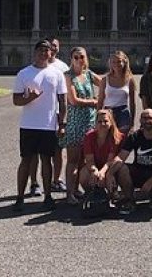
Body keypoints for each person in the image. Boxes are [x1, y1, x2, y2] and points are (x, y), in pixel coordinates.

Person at [12, 39, 68, 211]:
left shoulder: (57, 74)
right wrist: (30, 98)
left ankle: (48, 196)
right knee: (26, 161)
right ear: (35, 52)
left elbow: (63, 100)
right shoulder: (24, 74)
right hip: (29, 125)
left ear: (51, 53)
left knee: (46, 160)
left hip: (48, 124)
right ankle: (20, 197)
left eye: (47, 51)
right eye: (41, 50)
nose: (44, 53)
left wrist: (62, 123)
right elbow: (16, 100)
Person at [28, 36, 70, 195]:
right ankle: (34, 183)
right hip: (37, 118)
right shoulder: (33, 68)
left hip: (57, 116)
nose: (51, 49)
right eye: (49, 47)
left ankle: (56, 180)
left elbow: (65, 95)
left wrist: (63, 120)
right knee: (35, 154)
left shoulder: (62, 67)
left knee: (57, 151)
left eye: (54, 46)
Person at [59, 46, 98, 204]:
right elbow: (73, 100)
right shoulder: (68, 76)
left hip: (90, 122)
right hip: (76, 123)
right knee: (73, 160)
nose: (79, 60)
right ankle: (69, 195)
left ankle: (76, 190)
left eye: (81, 57)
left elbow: (106, 83)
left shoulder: (88, 74)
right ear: (71, 59)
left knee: (84, 159)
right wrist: (94, 102)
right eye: (75, 57)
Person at [114, 108, 152, 213]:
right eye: (144, 118)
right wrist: (109, 173)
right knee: (121, 168)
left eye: (150, 118)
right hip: (139, 172)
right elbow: (121, 157)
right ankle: (129, 200)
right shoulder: (135, 136)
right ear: (140, 121)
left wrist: (151, 181)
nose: (147, 121)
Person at [81, 109, 123, 198]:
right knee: (84, 174)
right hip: (96, 165)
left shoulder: (116, 137)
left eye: (105, 121)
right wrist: (95, 171)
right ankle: (92, 194)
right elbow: (89, 160)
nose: (102, 124)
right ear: (95, 123)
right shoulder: (89, 137)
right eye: (99, 121)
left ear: (111, 122)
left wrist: (102, 172)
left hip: (111, 167)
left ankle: (113, 195)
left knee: (112, 176)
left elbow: (110, 161)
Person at [97, 50, 136, 134]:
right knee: (108, 138)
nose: (116, 64)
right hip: (108, 111)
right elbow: (100, 100)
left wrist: (132, 122)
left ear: (124, 62)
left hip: (123, 112)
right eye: (113, 62)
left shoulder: (130, 80)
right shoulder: (105, 79)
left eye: (119, 61)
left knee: (123, 139)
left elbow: (132, 102)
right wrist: (97, 117)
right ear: (110, 64)